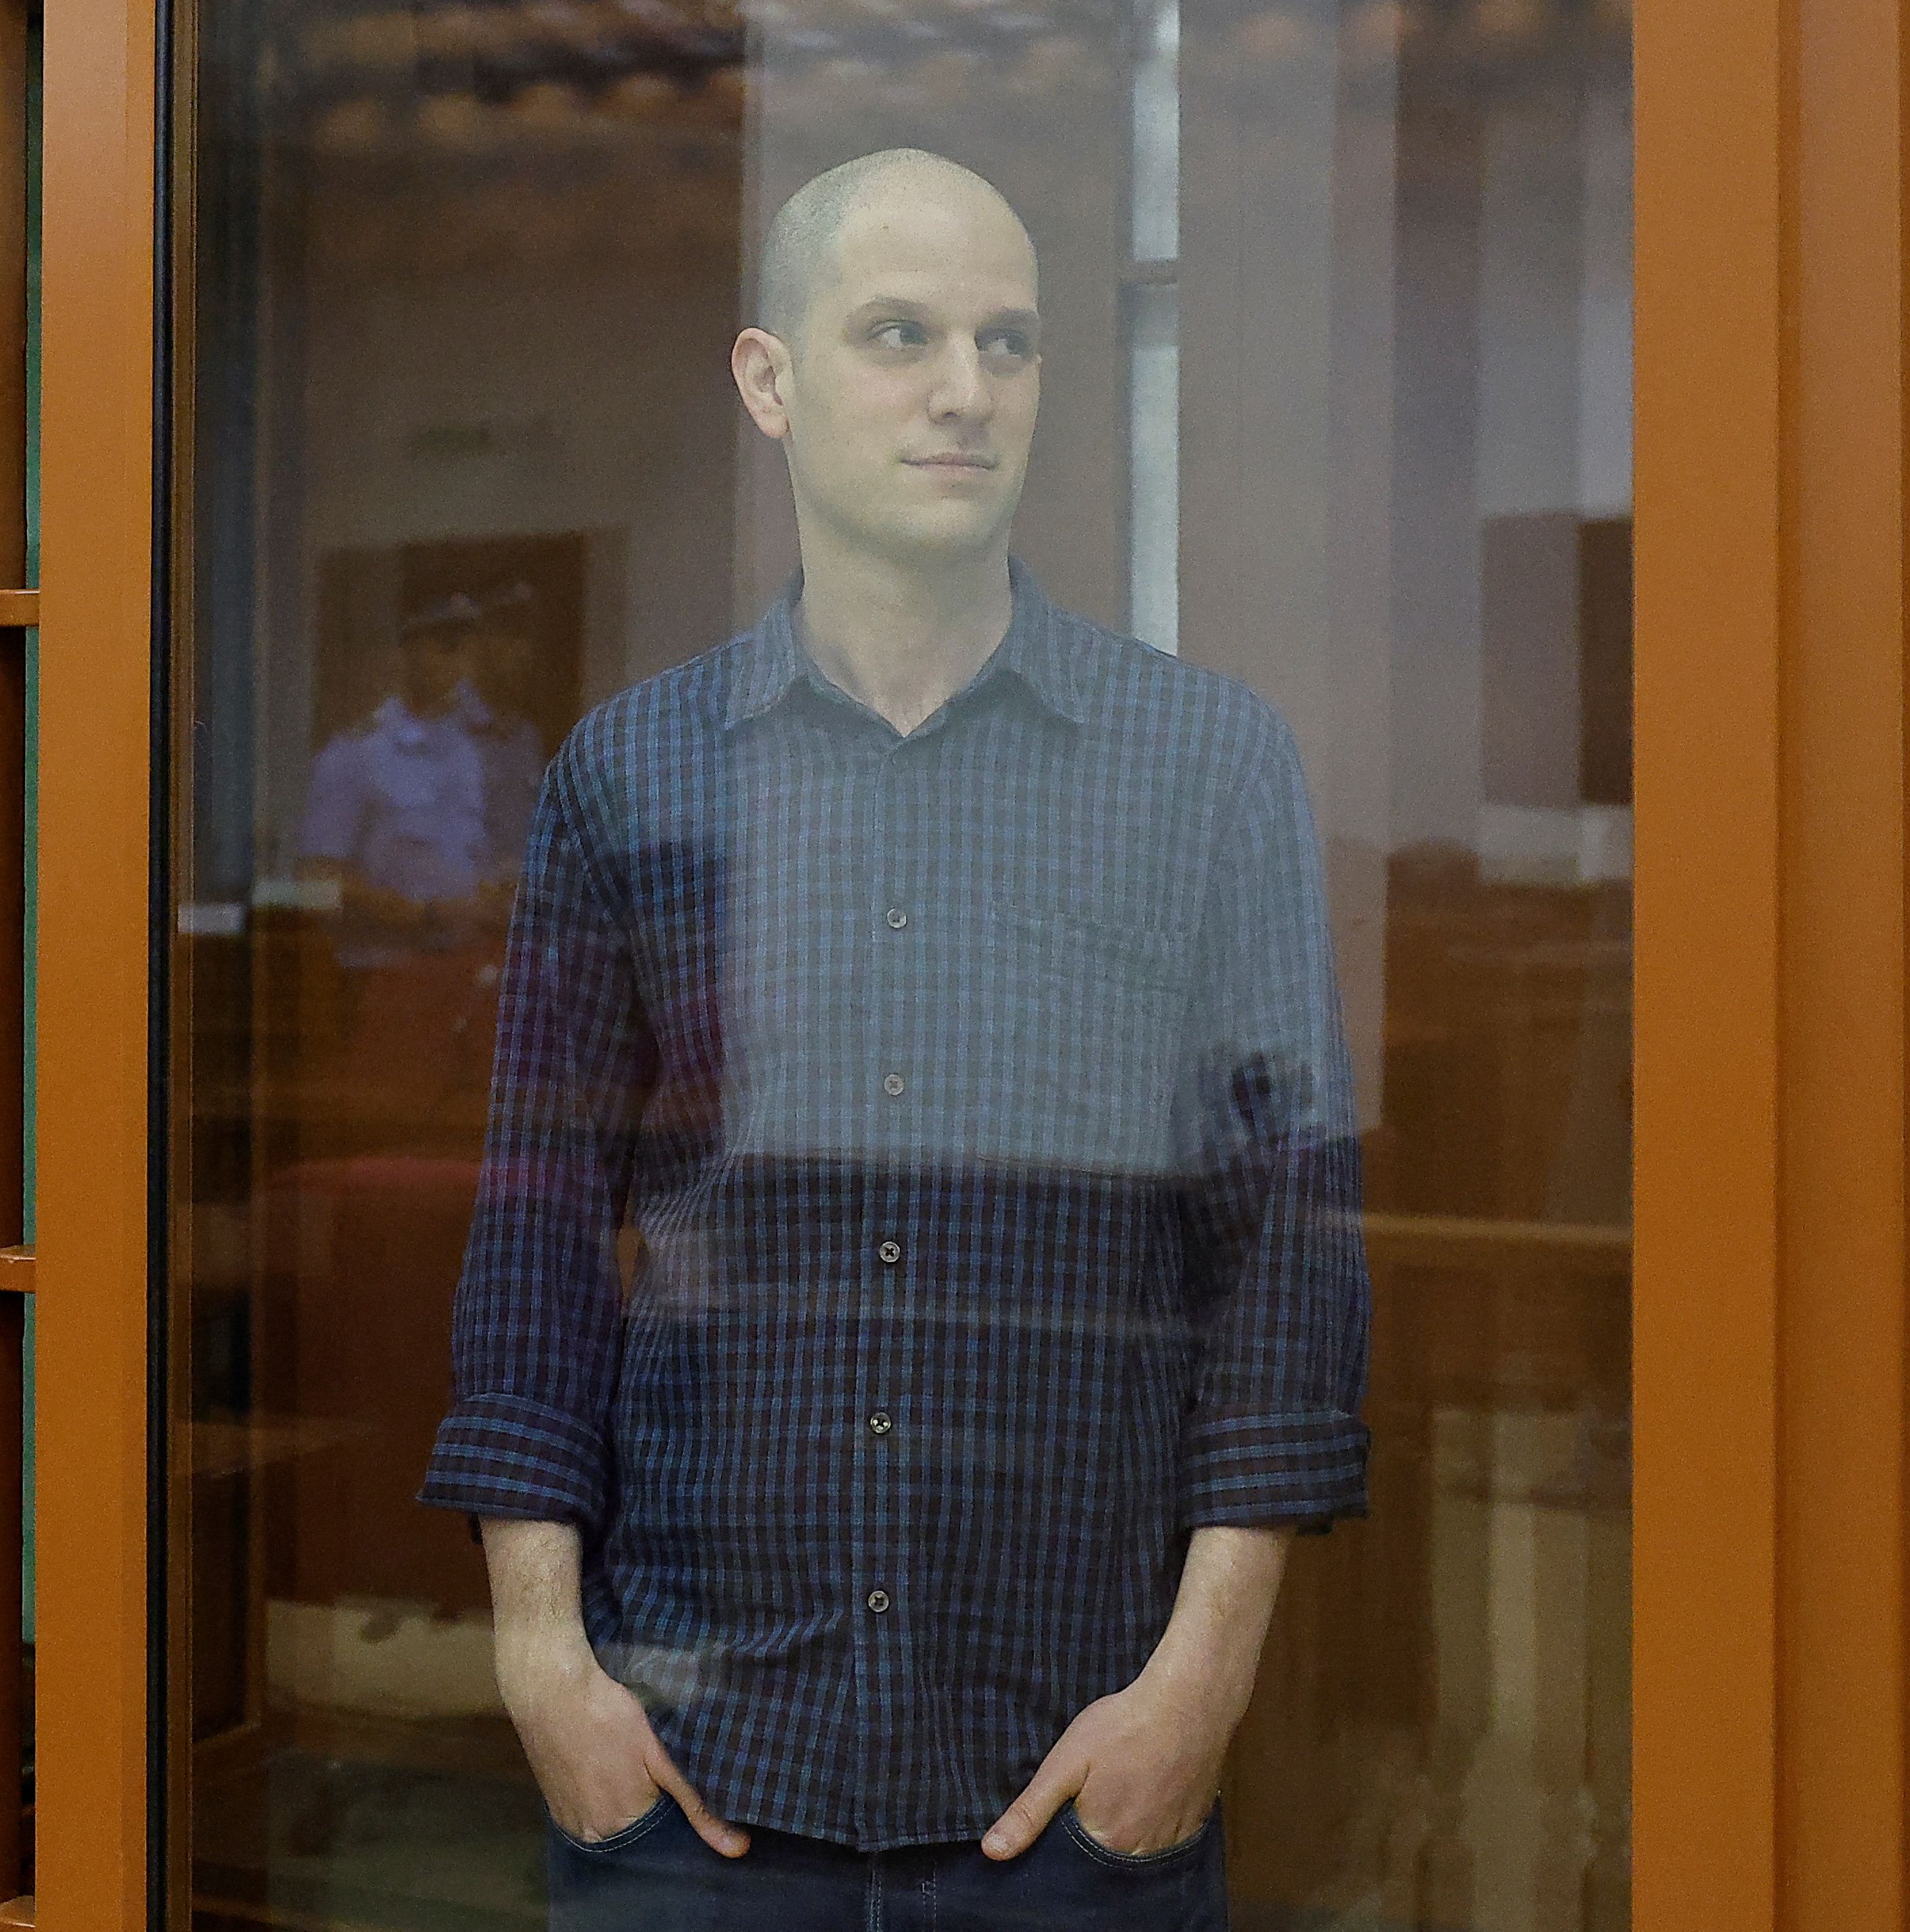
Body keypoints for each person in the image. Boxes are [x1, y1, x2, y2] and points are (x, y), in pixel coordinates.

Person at [419, 149, 1371, 1930]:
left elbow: (1285, 1262)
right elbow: (538, 1238)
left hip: (1077, 1775)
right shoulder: (637, 774)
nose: (965, 387)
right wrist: (543, 1663)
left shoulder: (1206, 768)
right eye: (899, 334)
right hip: (693, 1777)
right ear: (768, 379)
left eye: (1006, 342)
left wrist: (1199, 1689)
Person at [296, 587, 547, 1146]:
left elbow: (471, 856)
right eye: (441, 643)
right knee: (386, 1139)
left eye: (465, 644)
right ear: (401, 653)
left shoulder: (472, 752)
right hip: (383, 983)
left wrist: (500, 891)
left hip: (465, 983)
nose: (456, 660)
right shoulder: (356, 756)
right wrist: (426, 912)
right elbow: (317, 884)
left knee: (460, 1145)